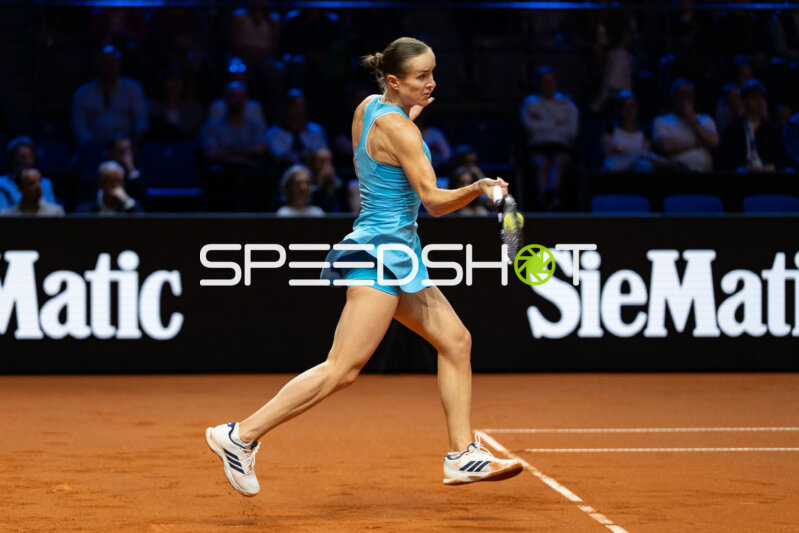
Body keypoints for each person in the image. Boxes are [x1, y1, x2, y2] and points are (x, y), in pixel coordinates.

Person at [205, 37, 522, 497]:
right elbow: (433, 202)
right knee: (342, 369)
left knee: (455, 341)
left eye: (433, 73)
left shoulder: (369, 107)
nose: (431, 83)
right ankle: (240, 436)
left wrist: (410, 112)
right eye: (421, 77)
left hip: (395, 249)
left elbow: (390, 140)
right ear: (394, 80)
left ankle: (461, 455)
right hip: (382, 254)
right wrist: (478, 188)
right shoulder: (402, 131)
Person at [520, 66, 579, 208]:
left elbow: (572, 130)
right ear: (538, 84)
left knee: (560, 162)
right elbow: (530, 127)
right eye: (544, 82)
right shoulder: (530, 102)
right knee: (541, 163)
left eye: (551, 81)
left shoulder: (567, 103)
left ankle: (552, 194)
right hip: (537, 146)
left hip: (561, 146)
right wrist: (557, 123)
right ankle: (544, 199)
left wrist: (543, 122)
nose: (548, 85)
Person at [72, 45, 148, 145]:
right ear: (97, 65)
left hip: (126, 147)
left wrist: (133, 146)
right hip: (94, 147)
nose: (110, 68)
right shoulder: (83, 94)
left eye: (113, 63)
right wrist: (94, 147)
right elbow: (80, 129)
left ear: (119, 65)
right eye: (105, 63)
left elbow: (141, 124)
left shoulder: (133, 89)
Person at [652, 78, 719, 172]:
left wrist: (692, 119)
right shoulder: (661, 120)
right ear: (673, 97)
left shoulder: (705, 119)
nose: (685, 99)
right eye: (681, 95)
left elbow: (714, 142)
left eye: (689, 95)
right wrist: (696, 144)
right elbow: (665, 147)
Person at [719, 79, 785, 172]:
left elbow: (781, 158)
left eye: (761, 97)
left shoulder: (773, 131)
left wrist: (766, 168)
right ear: (744, 101)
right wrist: (748, 168)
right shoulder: (733, 131)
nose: (759, 102)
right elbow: (728, 159)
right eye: (753, 97)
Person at [265, 89, 328, 167]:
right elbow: (279, 156)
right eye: (295, 106)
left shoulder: (316, 131)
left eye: (302, 106)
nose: (300, 110)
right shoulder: (273, 133)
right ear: (286, 109)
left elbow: (324, 154)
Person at [601, 91, 657, 173]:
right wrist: (636, 153)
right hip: (615, 169)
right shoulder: (609, 130)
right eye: (624, 106)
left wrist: (622, 150)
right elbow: (608, 154)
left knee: (644, 165)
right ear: (618, 109)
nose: (629, 111)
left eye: (632, 106)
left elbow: (645, 155)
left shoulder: (645, 133)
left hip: (637, 170)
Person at [0, 136, 57, 210]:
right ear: (12, 159)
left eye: (31, 156)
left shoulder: (46, 184)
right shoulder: (2, 185)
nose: (28, 161)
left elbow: (52, 211)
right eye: (23, 157)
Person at [76, 161, 143, 214]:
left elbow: (144, 226)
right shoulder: (85, 210)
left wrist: (127, 201)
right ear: (101, 184)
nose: (117, 187)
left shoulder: (129, 206)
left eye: (120, 182)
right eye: (112, 182)